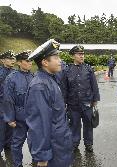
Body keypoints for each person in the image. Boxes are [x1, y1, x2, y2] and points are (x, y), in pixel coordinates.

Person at [25, 39, 73, 167]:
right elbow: (39, 124)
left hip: (60, 144)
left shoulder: (50, 79)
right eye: (56, 57)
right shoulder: (40, 86)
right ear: (45, 62)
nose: (60, 61)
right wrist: (42, 157)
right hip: (53, 149)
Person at [62, 45, 100, 152]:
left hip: (87, 103)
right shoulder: (67, 70)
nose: (82, 56)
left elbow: (94, 85)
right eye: (79, 54)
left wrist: (95, 99)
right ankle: (75, 143)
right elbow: (64, 88)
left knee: (88, 124)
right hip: (73, 104)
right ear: (73, 56)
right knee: (74, 124)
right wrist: (64, 103)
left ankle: (88, 144)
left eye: (83, 54)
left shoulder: (88, 68)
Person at [3, 51, 33, 167]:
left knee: (35, 142)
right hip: (19, 117)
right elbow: (8, 99)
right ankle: (17, 164)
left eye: (30, 60)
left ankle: (37, 162)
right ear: (20, 63)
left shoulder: (33, 76)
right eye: (27, 61)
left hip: (33, 116)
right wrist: (10, 119)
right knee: (16, 143)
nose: (30, 63)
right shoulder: (12, 78)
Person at [0, 50, 16, 153]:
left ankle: (8, 147)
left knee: (11, 129)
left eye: (12, 58)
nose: (12, 60)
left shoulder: (15, 72)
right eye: (9, 58)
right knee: (1, 129)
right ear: (2, 60)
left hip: (12, 105)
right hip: (1, 105)